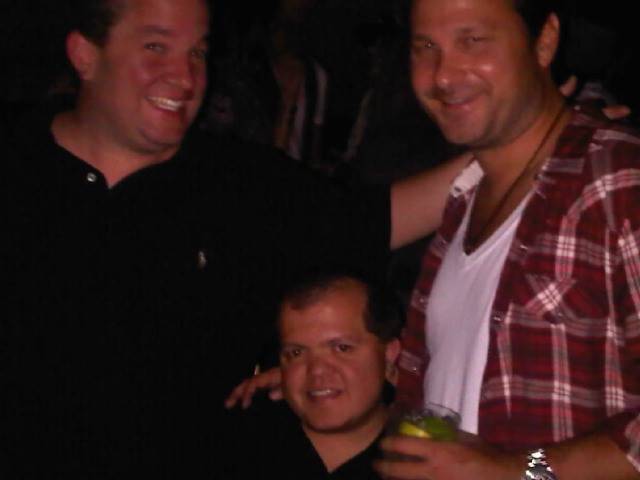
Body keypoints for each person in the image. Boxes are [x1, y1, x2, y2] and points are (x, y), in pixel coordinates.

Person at [0, 0, 462, 477]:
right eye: (156, 47)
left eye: (198, 53)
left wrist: (507, 147)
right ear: (85, 54)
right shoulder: (16, 166)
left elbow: (380, 220)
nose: (185, 76)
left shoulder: (239, 184)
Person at [378, 0, 640, 479]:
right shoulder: (460, 204)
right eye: (425, 47)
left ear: (544, 40)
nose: (443, 74)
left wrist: (522, 471)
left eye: (472, 41)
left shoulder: (616, 182)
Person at [224, 272, 402, 478]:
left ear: (388, 354)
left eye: (341, 348)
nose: (316, 370)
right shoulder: (234, 442)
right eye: (296, 353)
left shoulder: (421, 461)